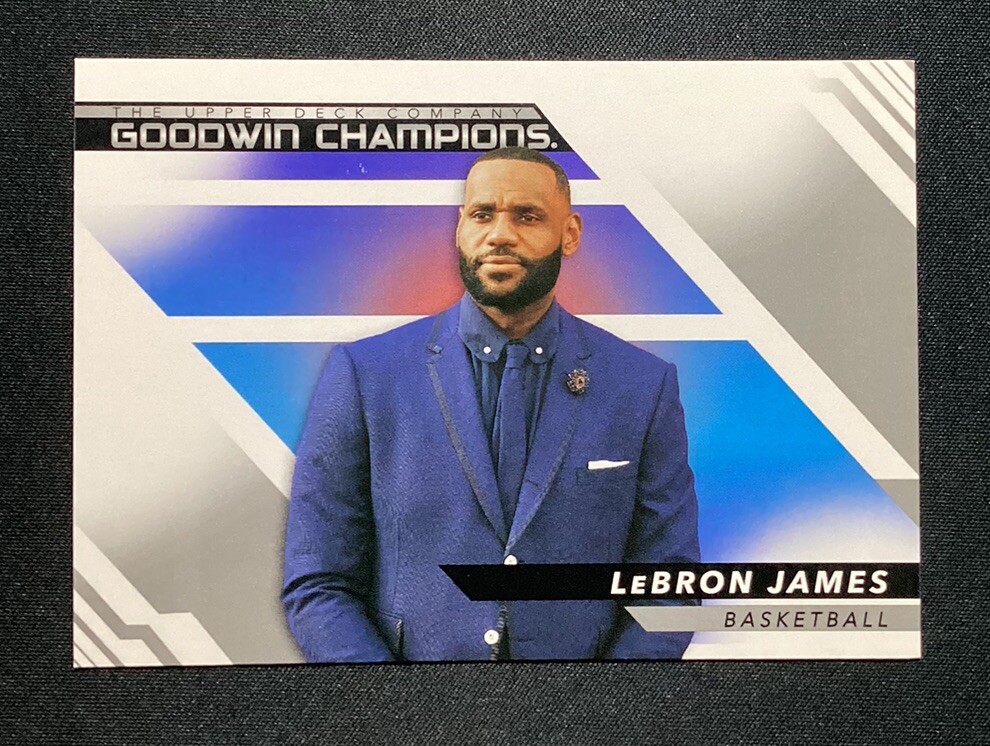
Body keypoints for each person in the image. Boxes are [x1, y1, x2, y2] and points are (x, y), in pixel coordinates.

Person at [282, 146, 700, 661]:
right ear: (460, 227)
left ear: (569, 233)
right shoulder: (364, 375)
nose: (500, 234)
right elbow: (318, 583)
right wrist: (393, 702)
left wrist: (598, 702)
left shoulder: (642, 386)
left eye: (527, 216)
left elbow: (673, 587)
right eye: (483, 214)